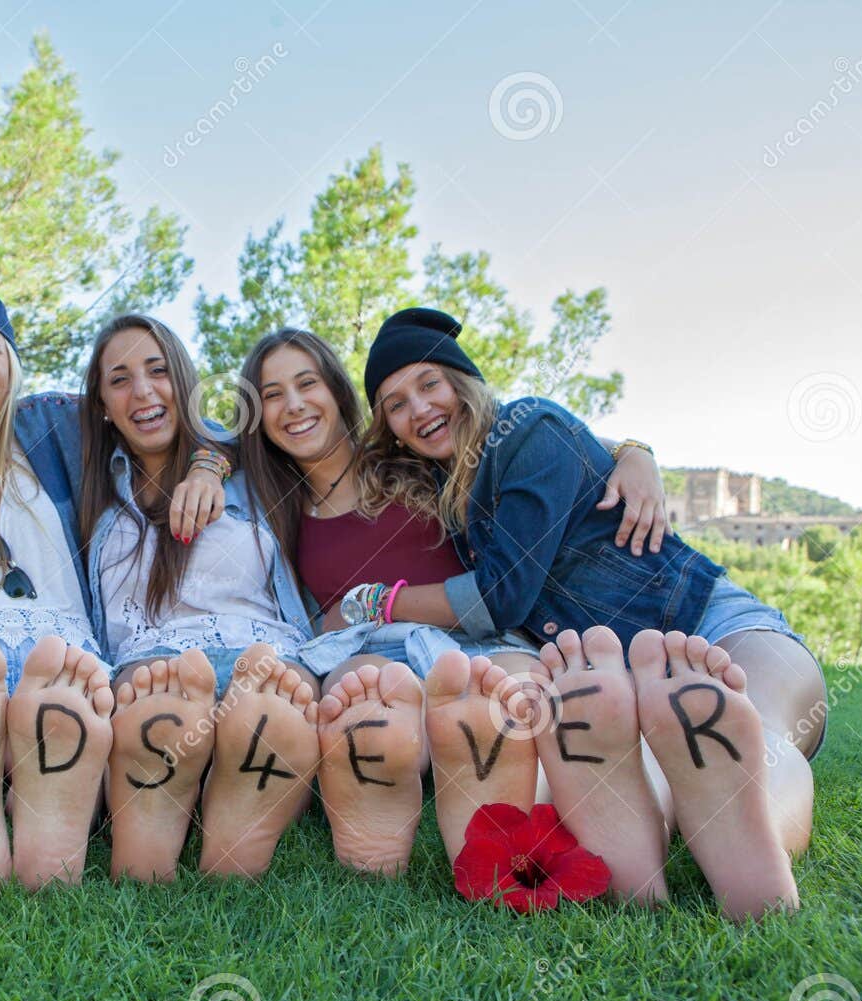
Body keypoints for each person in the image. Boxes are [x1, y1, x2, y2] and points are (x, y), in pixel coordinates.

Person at [354, 307, 825, 919]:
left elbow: (505, 594)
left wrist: (377, 601)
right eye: (394, 404)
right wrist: (633, 449)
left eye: (428, 384)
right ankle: (651, 828)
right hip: (612, 683)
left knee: (748, 723)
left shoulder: (524, 427)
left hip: (708, 620)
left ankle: (742, 841)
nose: (417, 409)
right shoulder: (460, 496)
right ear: (388, 426)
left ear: (462, 381)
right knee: (664, 754)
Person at [236, 325, 668, 877]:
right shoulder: (272, 503)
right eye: (272, 395)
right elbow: (198, 444)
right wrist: (206, 465)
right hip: (369, 646)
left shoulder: (411, 456)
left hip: (477, 634)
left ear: (339, 393)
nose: (294, 405)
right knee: (370, 709)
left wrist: (633, 452)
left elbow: (527, 447)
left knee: (523, 702)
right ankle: (387, 799)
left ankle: (534, 823)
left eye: (307, 383)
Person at [0, 289, 225, 888]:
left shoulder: (58, 424)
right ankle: (7, 794)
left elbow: (173, 419)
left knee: (72, 708)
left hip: (63, 652)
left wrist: (209, 465)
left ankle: (18, 796)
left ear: (10, 358)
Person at [80, 314, 320, 881]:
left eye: (158, 370)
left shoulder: (253, 464)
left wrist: (211, 461)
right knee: (160, 708)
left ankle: (226, 800)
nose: (142, 391)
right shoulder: (84, 480)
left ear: (184, 383)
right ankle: (189, 803)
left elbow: (293, 424)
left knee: (271, 700)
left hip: (260, 652)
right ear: (100, 405)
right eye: (119, 379)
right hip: (152, 661)